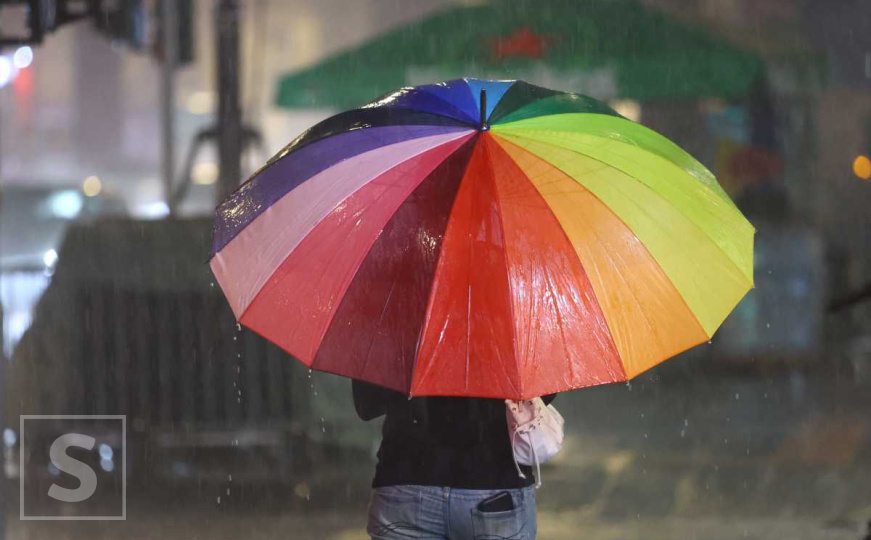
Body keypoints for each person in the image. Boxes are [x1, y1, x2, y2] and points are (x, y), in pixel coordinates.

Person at [353, 380, 556, 540]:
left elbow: (368, 404)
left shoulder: (395, 326)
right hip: (495, 488)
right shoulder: (509, 329)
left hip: (404, 487)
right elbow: (545, 389)